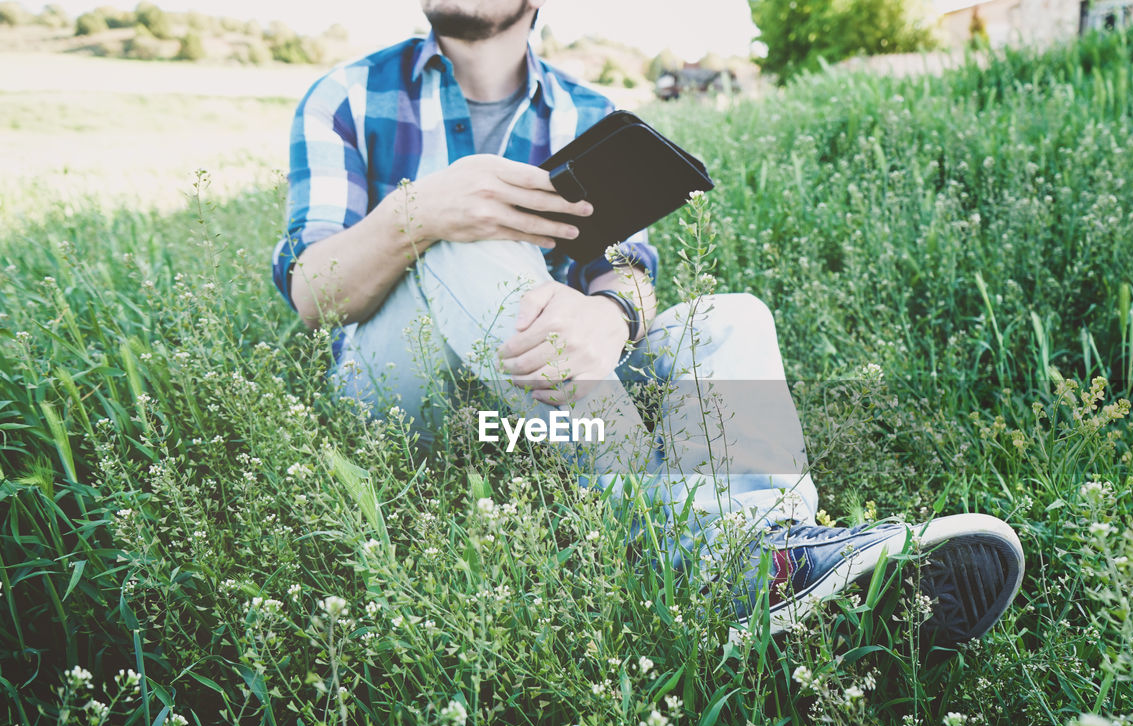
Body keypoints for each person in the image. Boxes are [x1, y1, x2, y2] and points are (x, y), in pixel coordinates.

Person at [271, 0, 1025, 643]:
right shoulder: (348, 93)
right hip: (404, 399)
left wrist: (610, 314)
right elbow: (313, 293)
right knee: (459, 248)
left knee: (730, 317)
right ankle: (729, 566)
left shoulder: (589, 113)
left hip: (543, 412)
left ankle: (776, 554)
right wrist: (423, 210)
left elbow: (630, 270)